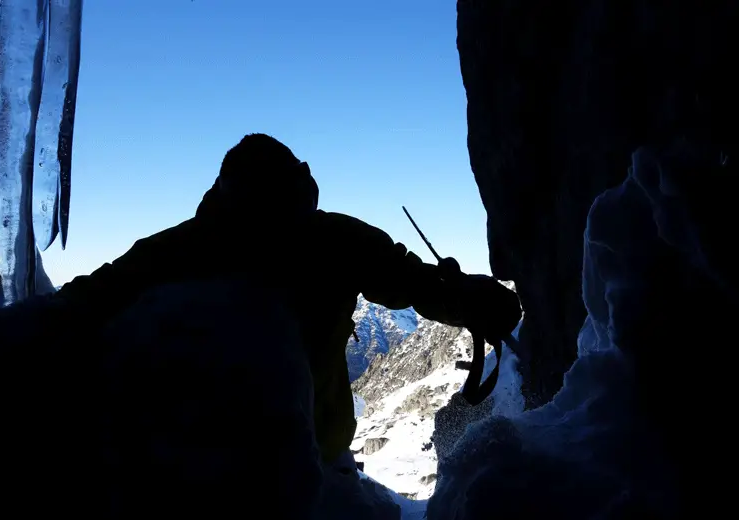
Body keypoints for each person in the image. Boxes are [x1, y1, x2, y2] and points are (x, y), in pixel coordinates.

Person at [51, 133, 522, 468]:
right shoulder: (332, 241)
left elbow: (89, 300)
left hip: (202, 465)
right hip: (311, 455)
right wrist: (468, 298)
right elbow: (415, 282)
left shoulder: (181, 249)